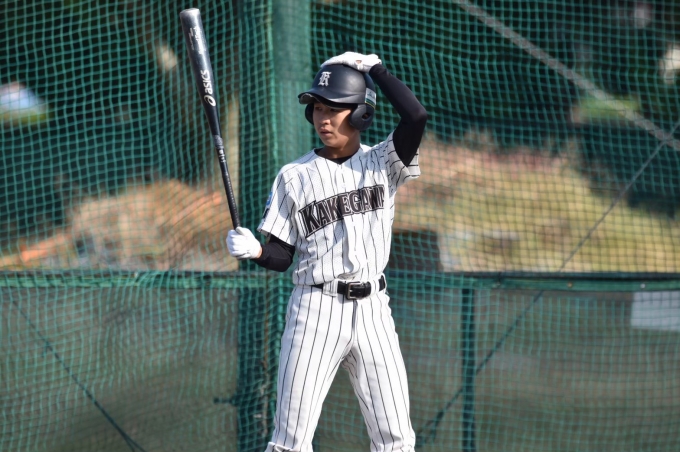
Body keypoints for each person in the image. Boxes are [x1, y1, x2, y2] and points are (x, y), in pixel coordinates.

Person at [226, 51, 428, 452]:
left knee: (397, 440)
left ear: (361, 114)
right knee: (290, 441)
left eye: (334, 108)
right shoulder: (294, 176)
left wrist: (375, 70)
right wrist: (256, 251)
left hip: (374, 311)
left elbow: (416, 116)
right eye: (318, 108)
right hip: (315, 310)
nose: (323, 118)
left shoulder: (382, 161)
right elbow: (281, 257)